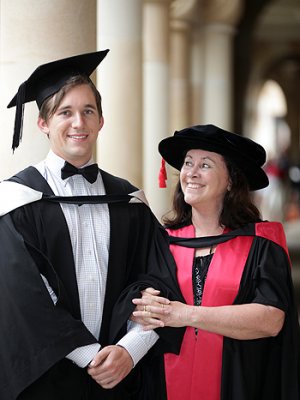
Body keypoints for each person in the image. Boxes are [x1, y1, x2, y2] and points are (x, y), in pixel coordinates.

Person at [0, 51, 184, 400]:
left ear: (101, 121)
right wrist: (90, 356)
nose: (78, 123)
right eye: (65, 113)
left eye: (88, 111)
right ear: (43, 123)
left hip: (121, 375)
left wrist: (131, 349)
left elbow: (157, 280)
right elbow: (24, 297)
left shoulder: (129, 201)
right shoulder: (16, 201)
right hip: (47, 375)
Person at [130, 124, 300, 400]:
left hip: (239, 384)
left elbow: (271, 319)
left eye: (205, 165)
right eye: (188, 163)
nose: (192, 173)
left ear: (231, 180)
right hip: (166, 385)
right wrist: (141, 304)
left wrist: (184, 314)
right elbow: (136, 300)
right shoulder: (163, 242)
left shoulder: (262, 243)